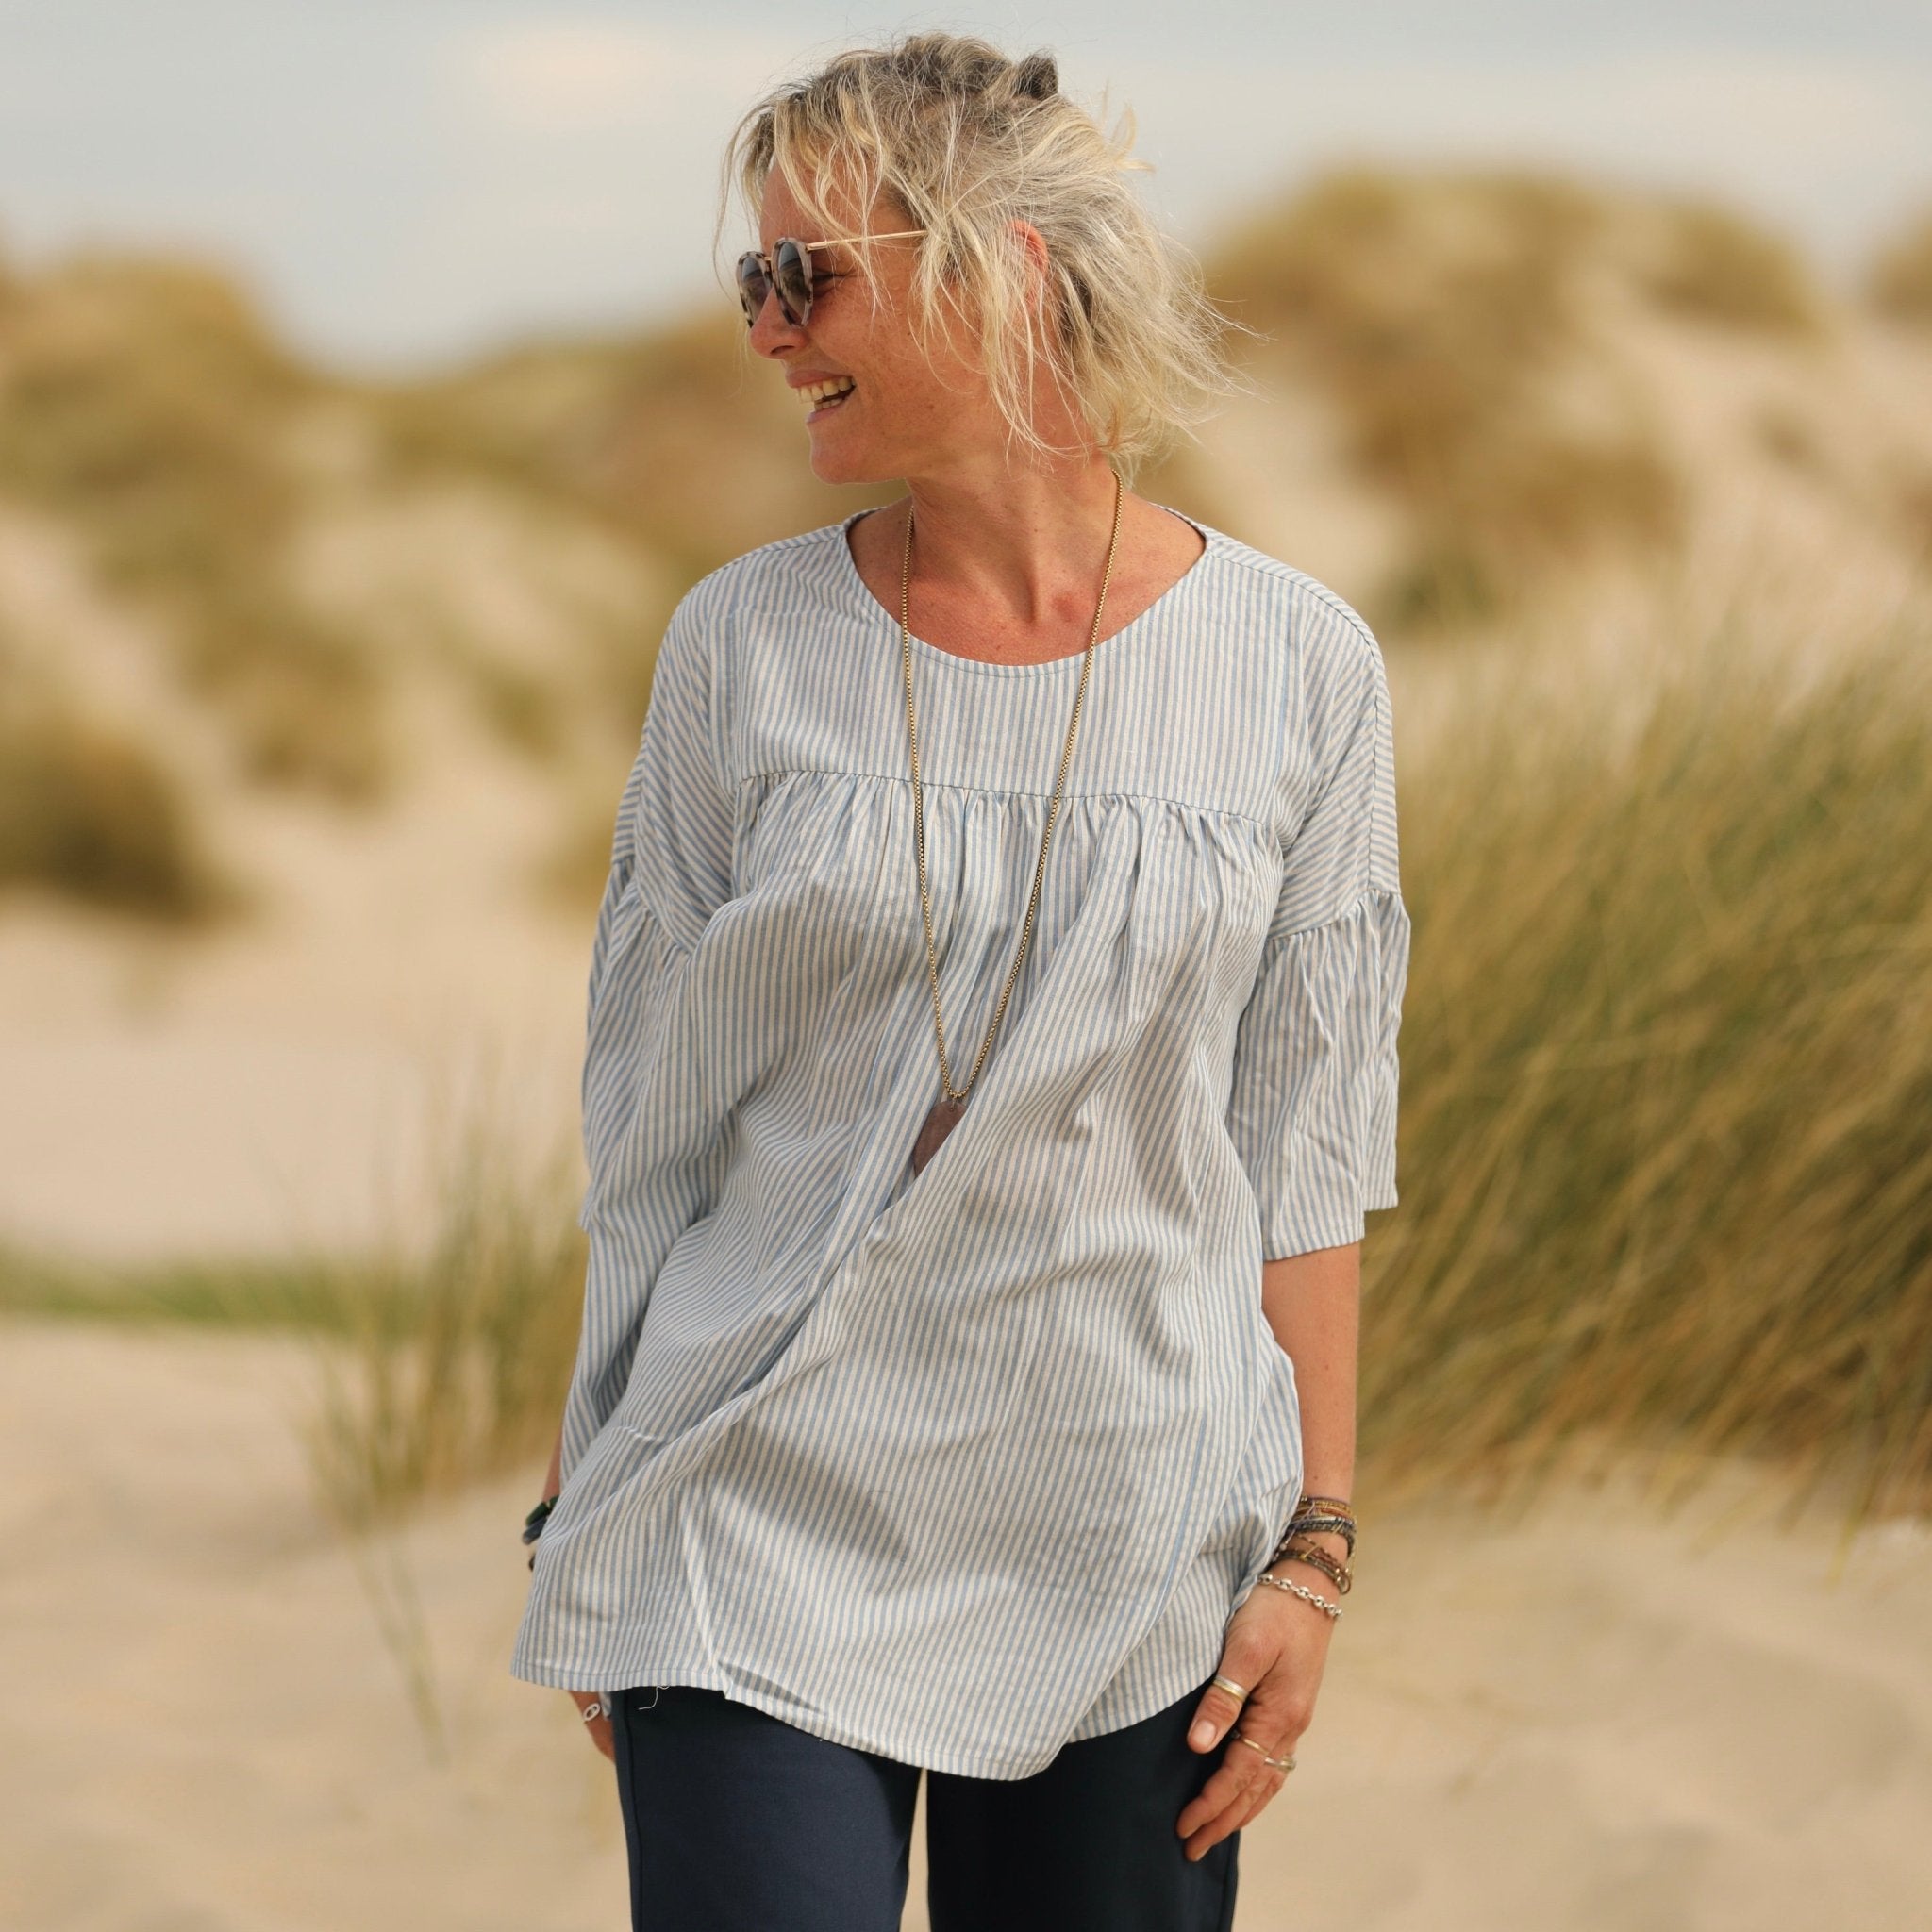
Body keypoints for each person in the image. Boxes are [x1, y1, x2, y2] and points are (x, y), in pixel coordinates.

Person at [510, 31, 1409, 1932]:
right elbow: (650, 1118)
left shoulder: (1298, 668)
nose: (766, 330)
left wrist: (1312, 1549)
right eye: (751, 279)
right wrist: (594, 1486)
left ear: (992, 271)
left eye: (803, 274)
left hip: (1138, 1541)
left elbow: (1306, 1148)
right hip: (748, 1517)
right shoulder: (741, 647)